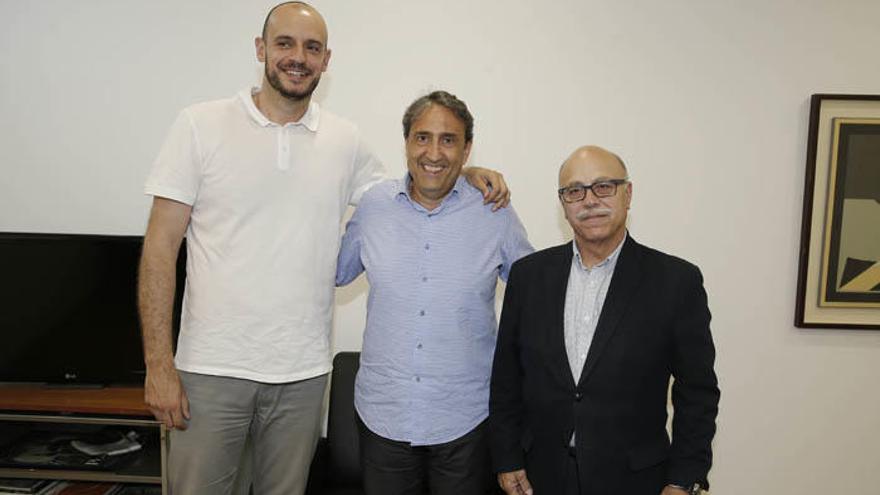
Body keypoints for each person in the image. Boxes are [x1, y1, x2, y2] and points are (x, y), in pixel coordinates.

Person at [137, 3, 510, 495]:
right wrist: (159, 367)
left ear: (326, 59)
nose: (298, 57)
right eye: (285, 43)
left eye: (312, 47)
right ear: (261, 49)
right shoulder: (200, 125)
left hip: (304, 374)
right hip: (210, 369)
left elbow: (406, 187)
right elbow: (160, 249)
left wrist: (458, 169)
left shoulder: (343, 140)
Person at [489, 146, 720, 495]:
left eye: (604, 187)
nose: (589, 201)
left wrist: (683, 480)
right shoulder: (528, 277)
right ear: (563, 204)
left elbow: (698, 393)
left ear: (628, 194)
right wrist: (507, 459)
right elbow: (506, 380)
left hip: (636, 480)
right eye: (574, 191)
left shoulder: (676, 282)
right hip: (539, 477)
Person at [335, 90, 534, 495]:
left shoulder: (492, 210)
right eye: (422, 137)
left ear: (466, 149)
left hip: (466, 420)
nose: (434, 152)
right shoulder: (374, 206)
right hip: (383, 415)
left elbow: (535, 292)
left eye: (449, 140)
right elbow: (335, 273)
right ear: (406, 143)